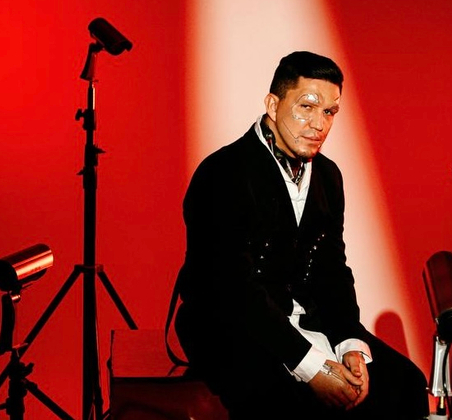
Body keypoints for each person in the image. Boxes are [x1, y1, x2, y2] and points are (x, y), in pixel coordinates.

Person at [172, 51, 428, 420]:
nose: (319, 124)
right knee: (295, 403)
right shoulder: (222, 173)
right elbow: (233, 288)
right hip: (228, 324)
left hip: (304, 319)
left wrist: (350, 343)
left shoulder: (328, 176)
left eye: (330, 112)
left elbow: (332, 269)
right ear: (273, 105)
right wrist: (311, 367)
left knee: (405, 383)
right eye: (307, 106)